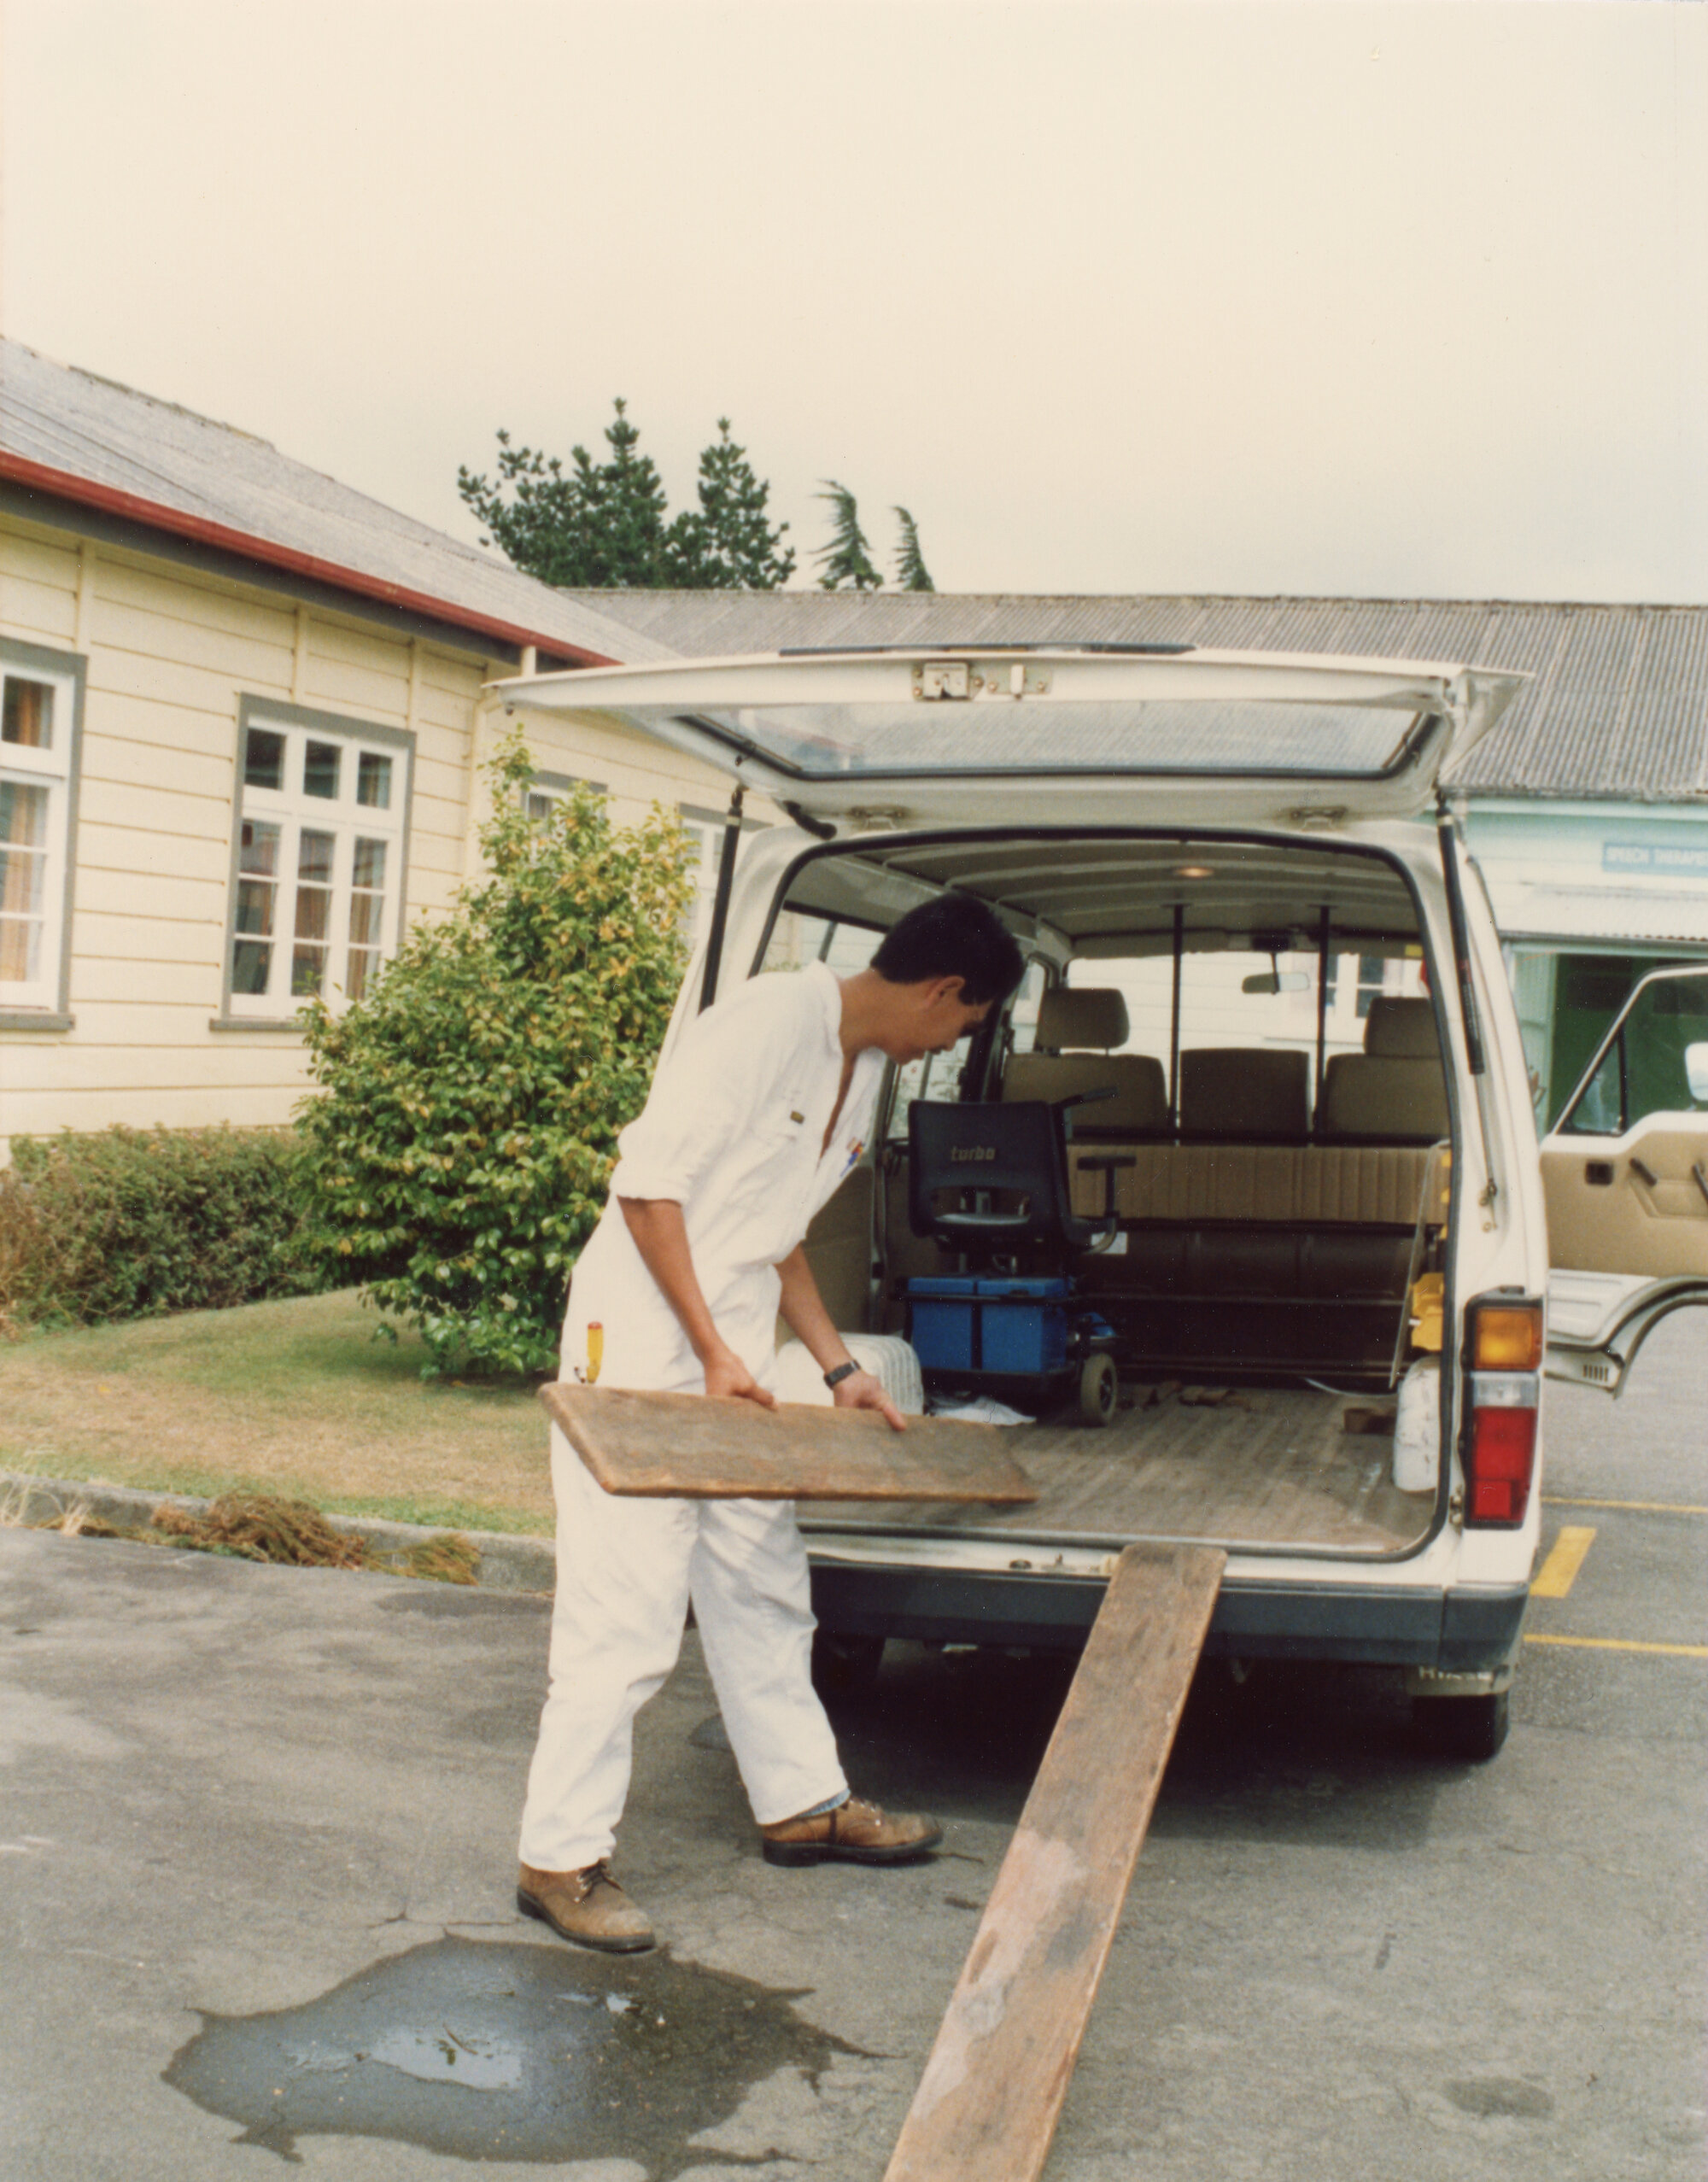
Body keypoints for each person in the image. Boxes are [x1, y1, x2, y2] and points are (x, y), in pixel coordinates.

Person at [516, 892, 1027, 1951]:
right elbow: (648, 1191)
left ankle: (801, 1801)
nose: (955, 1043)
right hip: (646, 1336)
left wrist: (837, 1365)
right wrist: (709, 1349)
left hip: (729, 1342)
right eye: (966, 1023)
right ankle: (558, 1857)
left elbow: (775, 1229)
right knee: (628, 1604)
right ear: (941, 991)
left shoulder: (868, 1065)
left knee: (758, 1569)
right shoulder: (758, 1026)